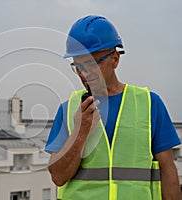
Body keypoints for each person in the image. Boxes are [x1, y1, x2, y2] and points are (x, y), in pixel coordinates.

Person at [45, 15, 181, 200]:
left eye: (92, 63)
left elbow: (168, 171)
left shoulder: (150, 103)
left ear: (115, 59)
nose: (84, 73)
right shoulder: (68, 109)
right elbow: (58, 176)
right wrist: (81, 131)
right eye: (78, 65)